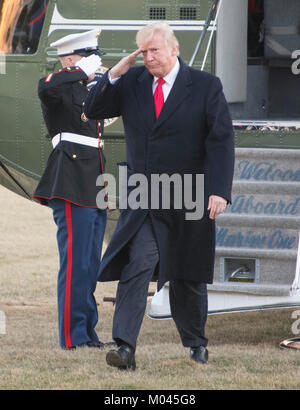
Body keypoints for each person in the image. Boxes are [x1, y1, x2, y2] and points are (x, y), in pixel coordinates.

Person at [84, 22, 234, 369]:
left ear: (173, 49)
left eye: (155, 51)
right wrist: (115, 74)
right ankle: (124, 347)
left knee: (187, 275)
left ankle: (196, 342)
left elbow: (221, 141)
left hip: (189, 195)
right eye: (144, 52)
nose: (149, 58)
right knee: (138, 264)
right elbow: (93, 110)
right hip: (145, 196)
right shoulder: (133, 82)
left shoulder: (205, 86)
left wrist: (219, 191)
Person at [33, 29, 108, 350]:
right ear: (68, 59)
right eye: (85, 57)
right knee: (75, 262)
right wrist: (82, 70)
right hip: (69, 178)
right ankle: (72, 335)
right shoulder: (57, 86)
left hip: (94, 178)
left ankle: (88, 331)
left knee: (90, 262)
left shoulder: (88, 87)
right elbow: (46, 86)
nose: (94, 63)